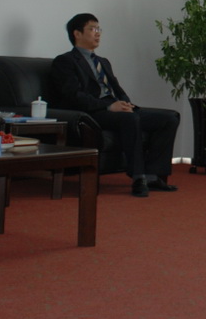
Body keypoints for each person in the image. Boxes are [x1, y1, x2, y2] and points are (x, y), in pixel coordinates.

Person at [50, 13, 180, 198]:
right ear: (77, 34)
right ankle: (138, 177)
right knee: (129, 119)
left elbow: (116, 89)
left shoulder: (103, 62)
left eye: (99, 29)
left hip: (115, 107)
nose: (98, 33)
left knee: (169, 118)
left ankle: (153, 175)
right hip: (92, 112)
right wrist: (109, 107)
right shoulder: (65, 61)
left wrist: (126, 103)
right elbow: (73, 95)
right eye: (92, 29)